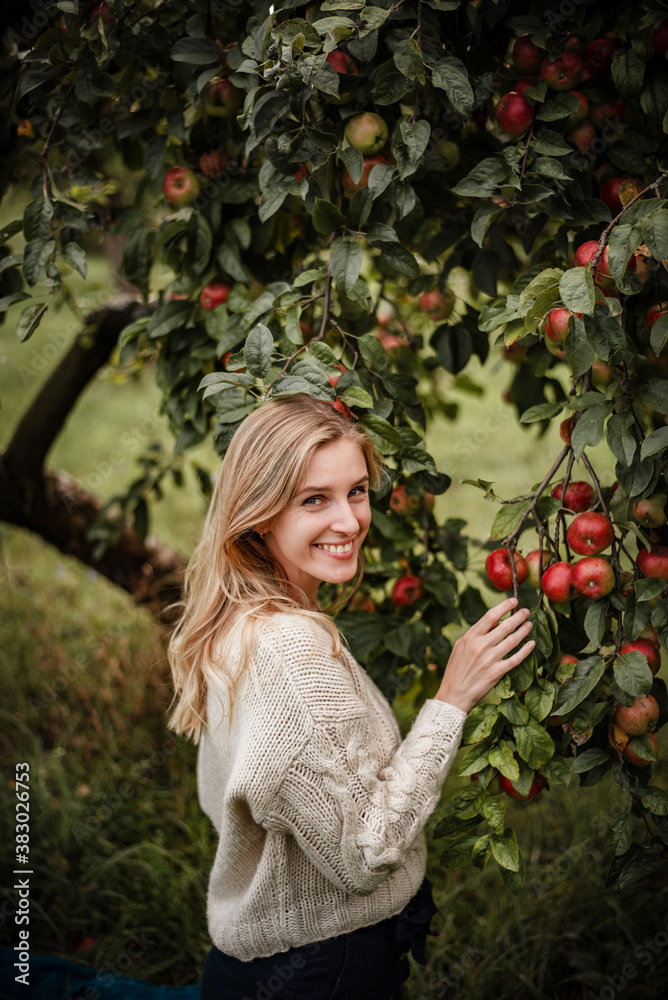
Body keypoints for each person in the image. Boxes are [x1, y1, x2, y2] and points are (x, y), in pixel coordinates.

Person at [167, 394, 534, 1000]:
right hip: (322, 969)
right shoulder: (290, 652)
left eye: (357, 491)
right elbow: (365, 855)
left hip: (268, 960)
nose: (350, 521)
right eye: (314, 499)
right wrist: (452, 698)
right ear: (259, 512)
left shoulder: (242, 617)